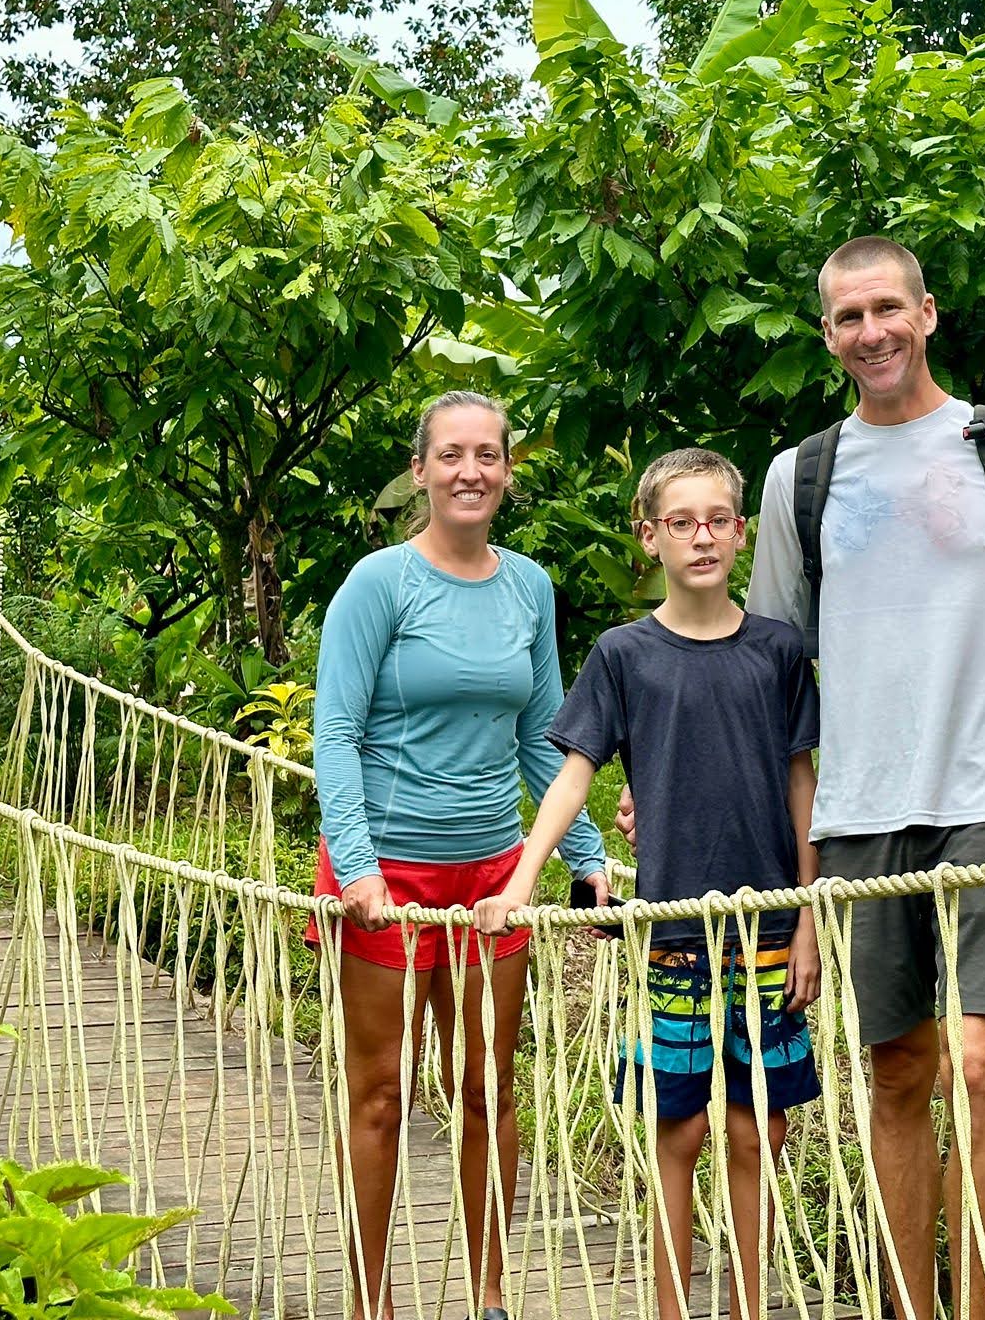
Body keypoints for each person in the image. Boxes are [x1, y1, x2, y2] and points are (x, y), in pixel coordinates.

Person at [475, 446, 823, 1320]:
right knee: (683, 1125)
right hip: (673, 931)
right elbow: (574, 774)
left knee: (760, 1128)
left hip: (773, 927)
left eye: (717, 520)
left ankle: (748, 1305)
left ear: (741, 532)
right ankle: (671, 1307)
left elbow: (803, 789)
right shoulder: (624, 654)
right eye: (681, 522)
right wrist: (522, 880)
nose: (701, 538)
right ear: (650, 537)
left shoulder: (778, 651)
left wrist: (812, 919)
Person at [309, 389, 609, 1320]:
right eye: (451, 456)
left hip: (492, 876)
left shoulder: (529, 587)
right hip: (387, 876)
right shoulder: (379, 584)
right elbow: (335, 731)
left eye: (488, 455)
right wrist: (356, 868)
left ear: (509, 472)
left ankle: (490, 1296)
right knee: (380, 1098)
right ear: (420, 470)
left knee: (485, 1088)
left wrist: (582, 856)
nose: (470, 471)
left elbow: (541, 736)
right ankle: (371, 1300)